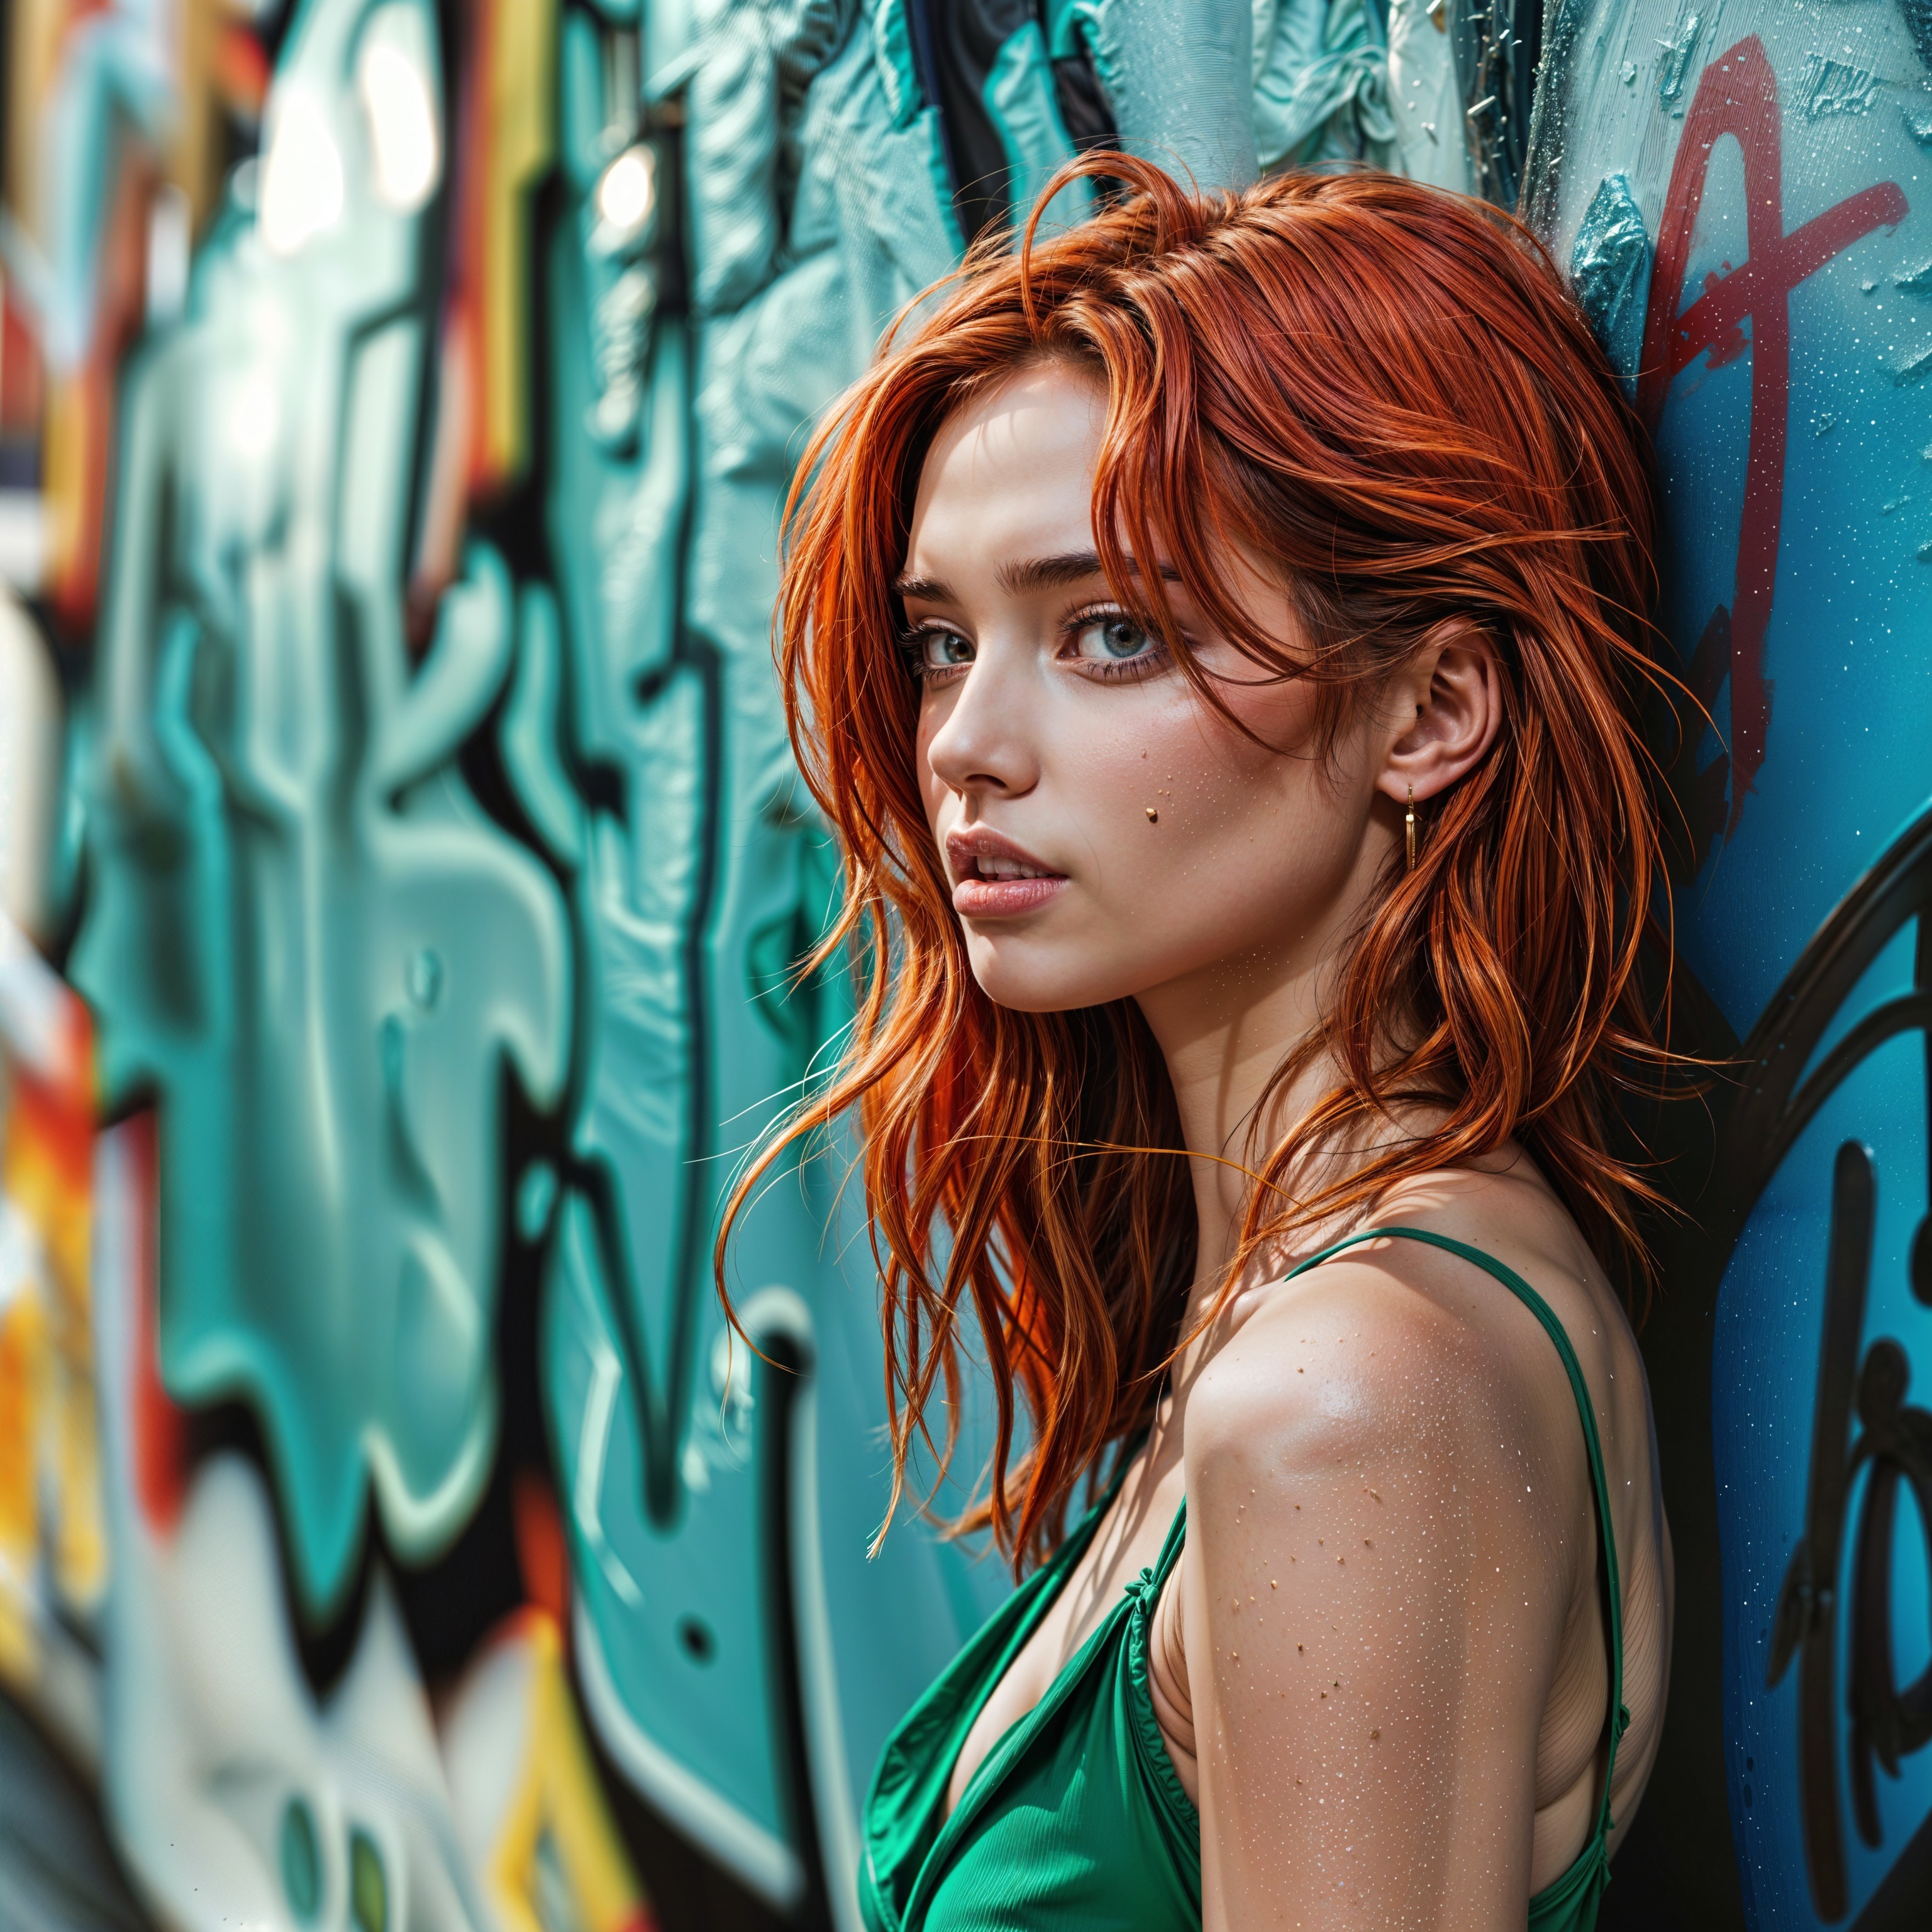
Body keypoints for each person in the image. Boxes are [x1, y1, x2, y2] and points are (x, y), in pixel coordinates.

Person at [724, 155, 1675, 1931]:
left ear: (1431, 707)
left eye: (1108, 633)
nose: (963, 749)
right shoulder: (1320, 1306)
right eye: (941, 642)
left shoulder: (1346, 1400)